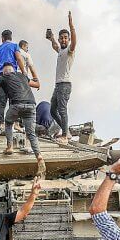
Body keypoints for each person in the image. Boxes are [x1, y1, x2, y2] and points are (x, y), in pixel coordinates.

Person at [0, 63, 44, 173]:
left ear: (4, 72)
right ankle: (39, 157)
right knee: (31, 133)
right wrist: (34, 72)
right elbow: (36, 84)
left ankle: (10, 147)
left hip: (16, 105)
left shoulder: (3, 77)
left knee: (8, 122)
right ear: (13, 70)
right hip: (31, 105)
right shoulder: (22, 76)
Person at [46, 11, 77, 143]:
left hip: (64, 85)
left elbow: (75, 41)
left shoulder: (70, 51)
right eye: (61, 38)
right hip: (58, 85)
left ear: (68, 39)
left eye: (66, 37)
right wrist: (52, 38)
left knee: (62, 110)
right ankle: (66, 131)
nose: (64, 39)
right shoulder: (60, 51)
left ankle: (65, 135)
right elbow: (55, 46)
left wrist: (71, 25)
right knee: (53, 110)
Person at [0, 30, 27, 131]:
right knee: (14, 100)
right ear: (11, 37)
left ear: (2, 38)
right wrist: (24, 72)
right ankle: (15, 123)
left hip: (2, 76)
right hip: (12, 76)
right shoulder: (15, 46)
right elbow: (19, 59)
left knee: (2, 100)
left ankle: (1, 124)